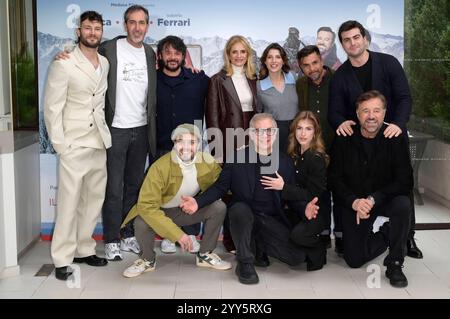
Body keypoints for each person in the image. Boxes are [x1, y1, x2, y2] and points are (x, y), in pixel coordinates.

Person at [180, 113, 320, 285]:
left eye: (270, 131)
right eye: (260, 131)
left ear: (275, 134)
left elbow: (291, 196)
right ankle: (245, 263)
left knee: (296, 258)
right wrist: (197, 201)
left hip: (269, 220)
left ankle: (258, 247)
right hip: (244, 216)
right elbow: (220, 187)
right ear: (252, 134)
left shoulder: (285, 162)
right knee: (239, 209)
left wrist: (304, 208)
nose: (265, 136)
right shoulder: (237, 157)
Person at [328, 20, 422, 259]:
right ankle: (355, 230)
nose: (352, 42)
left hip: (390, 136)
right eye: (347, 40)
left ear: (365, 38)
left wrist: (398, 125)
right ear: (342, 45)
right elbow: (334, 111)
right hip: (358, 142)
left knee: (401, 186)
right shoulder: (340, 76)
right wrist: (341, 122)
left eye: (356, 37)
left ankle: (406, 237)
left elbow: (404, 98)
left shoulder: (388, 63)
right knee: (356, 183)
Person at [44, 11, 110, 281]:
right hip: (73, 143)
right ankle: (62, 258)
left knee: (92, 202)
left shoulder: (104, 62)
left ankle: (84, 248)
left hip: (98, 142)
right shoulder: (64, 62)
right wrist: (61, 145)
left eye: (97, 28)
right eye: (87, 28)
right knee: (69, 204)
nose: (92, 32)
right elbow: (52, 107)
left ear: (101, 32)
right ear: (78, 31)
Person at [121, 124, 231, 278]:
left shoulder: (207, 162)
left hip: (185, 210)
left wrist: (198, 201)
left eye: (192, 142)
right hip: (161, 212)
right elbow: (146, 206)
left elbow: (222, 185)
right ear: (174, 143)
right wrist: (177, 235)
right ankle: (147, 259)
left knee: (218, 207)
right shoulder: (159, 167)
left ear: (198, 144)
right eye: (181, 141)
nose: (186, 147)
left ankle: (205, 254)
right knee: (141, 222)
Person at [328, 90, 413, 288]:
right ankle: (387, 232)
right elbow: (333, 178)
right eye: (365, 111)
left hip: (383, 200)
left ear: (385, 112)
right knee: (354, 260)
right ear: (357, 114)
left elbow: (405, 181)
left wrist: (373, 199)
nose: (371, 116)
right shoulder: (344, 137)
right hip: (355, 203)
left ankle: (395, 262)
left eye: (376, 110)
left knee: (403, 203)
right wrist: (354, 202)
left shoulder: (394, 137)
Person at [98, 5, 157, 261]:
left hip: (141, 129)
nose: (137, 28)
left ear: (148, 25)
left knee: (134, 187)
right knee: (113, 187)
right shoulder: (109, 48)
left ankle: (128, 233)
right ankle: (111, 239)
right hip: (116, 130)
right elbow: (86, 57)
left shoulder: (149, 53)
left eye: (141, 23)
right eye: (132, 22)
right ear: (124, 25)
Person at [155, 35, 210, 253]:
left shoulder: (198, 79)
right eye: (167, 52)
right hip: (161, 145)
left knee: (191, 192)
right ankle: (170, 235)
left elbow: (222, 87)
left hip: (191, 148)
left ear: (183, 56)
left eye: (177, 53)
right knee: (167, 194)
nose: (172, 57)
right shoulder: (152, 79)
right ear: (160, 56)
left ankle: (191, 233)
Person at [206, 35, 258, 254]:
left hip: (252, 140)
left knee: (250, 190)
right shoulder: (218, 80)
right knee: (230, 192)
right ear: (228, 54)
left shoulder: (255, 78)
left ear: (248, 54)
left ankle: (249, 239)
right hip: (230, 141)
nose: (239, 56)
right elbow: (213, 117)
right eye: (234, 52)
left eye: (243, 52)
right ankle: (230, 240)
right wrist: (217, 151)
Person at [261, 111, 328, 270]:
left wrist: (284, 187)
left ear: (315, 132)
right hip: (296, 209)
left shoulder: (316, 158)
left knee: (297, 236)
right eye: (299, 128)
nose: (303, 133)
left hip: (315, 211)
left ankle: (320, 247)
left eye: (308, 129)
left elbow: (313, 194)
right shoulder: (293, 153)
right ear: (294, 131)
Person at [296, 45, 343, 254]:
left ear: (321, 61)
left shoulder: (338, 79)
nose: (311, 68)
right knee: (319, 195)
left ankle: (341, 238)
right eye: (306, 65)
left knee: (341, 195)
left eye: (315, 63)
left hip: (339, 147)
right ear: (301, 67)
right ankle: (322, 236)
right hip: (315, 151)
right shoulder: (300, 85)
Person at [257, 43, 298, 154]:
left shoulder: (294, 77)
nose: (274, 61)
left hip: (296, 132)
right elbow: (258, 112)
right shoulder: (259, 86)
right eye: (270, 57)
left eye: (278, 57)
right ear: (265, 61)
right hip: (273, 135)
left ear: (283, 61)